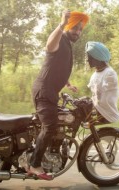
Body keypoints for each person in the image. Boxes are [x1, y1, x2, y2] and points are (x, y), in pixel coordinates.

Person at [28, 10, 89, 180]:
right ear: (68, 26)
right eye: (75, 28)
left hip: (49, 92)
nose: (77, 32)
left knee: (52, 125)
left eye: (80, 29)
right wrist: (61, 24)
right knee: (50, 127)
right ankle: (34, 165)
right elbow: (49, 46)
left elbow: (58, 67)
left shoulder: (66, 43)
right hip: (44, 91)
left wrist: (67, 83)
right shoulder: (60, 38)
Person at [85, 41, 119, 123]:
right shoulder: (95, 73)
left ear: (98, 57)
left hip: (104, 113)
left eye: (90, 57)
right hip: (97, 109)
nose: (87, 60)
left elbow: (107, 99)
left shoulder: (109, 73)